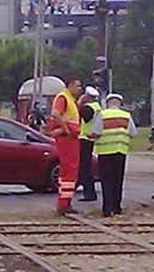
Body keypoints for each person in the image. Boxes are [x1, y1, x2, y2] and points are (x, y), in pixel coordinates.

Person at [90, 93, 137, 218]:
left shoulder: (102, 114)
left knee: (106, 181)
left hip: (105, 152)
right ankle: (117, 207)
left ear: (107, 103)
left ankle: (107, 209)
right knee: (118, 180)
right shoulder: (126, 115)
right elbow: (133, 133)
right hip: (120, 151)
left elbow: (97, 132)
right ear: (120, 103)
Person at [48, 78, 83, 215]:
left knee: (69, 170)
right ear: (70, 85)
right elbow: (56, 113)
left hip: (70, 137)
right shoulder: (64, 97)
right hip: (67, 138)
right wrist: (65, 128)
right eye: (78, 86)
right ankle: (64, 204)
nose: (79, 88)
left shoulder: (70, 99)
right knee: (69, 169)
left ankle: (65, 202)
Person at [77, 86, 102, 202]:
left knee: (85, 167)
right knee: (85, 166)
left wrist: (79, 103)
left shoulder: (88, 108)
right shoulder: (98, 107)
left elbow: (83, 116)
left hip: (85, 139)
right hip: (92, 138)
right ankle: (87, 190)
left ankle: (89, 193)